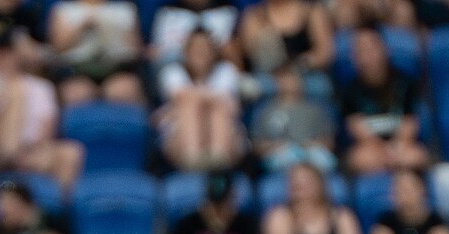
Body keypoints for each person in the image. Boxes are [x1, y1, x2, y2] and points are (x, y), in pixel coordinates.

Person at [0, 40, 82, 187]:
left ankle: (62, 207)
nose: (6, 60)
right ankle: (16, 160)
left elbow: (48, 125)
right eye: (0, 55)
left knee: (71, 152)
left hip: (32, 149)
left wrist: (36, 150)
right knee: (14, 97)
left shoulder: (41, 87)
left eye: (9, 54)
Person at [339, 24, 427, 176]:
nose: (368, 55)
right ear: (354, 57)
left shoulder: (406, 83)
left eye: (371, 48)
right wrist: (382, 151)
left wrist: (395, 150)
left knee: (417, 156)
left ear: (385, 49)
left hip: (400, 146)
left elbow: (410, 123)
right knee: (358, 158)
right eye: (361, 50)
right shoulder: (349, 91)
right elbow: (356, 128)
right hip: (371, 148)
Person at [156, 29, 246, 171]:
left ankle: (218, 158)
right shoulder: (172, 72)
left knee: (217, 110)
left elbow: (232, 108)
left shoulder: (226, 71)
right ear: (186, 52)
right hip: (180, 143)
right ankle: (193, 159)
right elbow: (182, 96)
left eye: (205, 48)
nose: (200, 52)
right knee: (189, 106)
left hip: (226, 142)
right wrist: (216, 98)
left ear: (214, 52)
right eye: (196, 48)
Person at [46, 0, 143, 104]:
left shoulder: (124, 9)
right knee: (78, 94)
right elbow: (57, 49)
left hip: (116, 68)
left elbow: (135, 50)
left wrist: (109, 27)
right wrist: (82, 27)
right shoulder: (63, 9)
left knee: (124, 91)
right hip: (76, 71)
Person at [251, 62, 337, 173]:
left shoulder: (316, 110)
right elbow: (257, 145)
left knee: (324, 160)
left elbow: (329, 142)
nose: (290, 82)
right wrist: (275, 146)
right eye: (285, 77)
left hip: (311, 154)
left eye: (294, 76)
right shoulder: (265, 111)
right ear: (276, 81)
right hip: (280, 155)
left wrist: (311, 145)